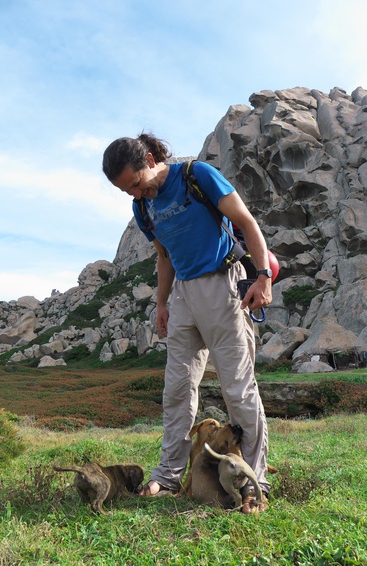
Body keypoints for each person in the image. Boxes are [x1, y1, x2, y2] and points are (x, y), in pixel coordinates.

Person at [102, 132, 273, 513]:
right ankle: (167, 476)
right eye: (126, 191)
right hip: (182, 297)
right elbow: (164, 257)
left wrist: (262, 276)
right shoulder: (143, 209)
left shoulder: (198, 175)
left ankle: (254, 481)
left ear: (149, 160)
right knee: (177, 388)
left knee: (238, 388)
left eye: (136, 184)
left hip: (223, 287)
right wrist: (162, 304)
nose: (135, 194)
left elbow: (246, 221)